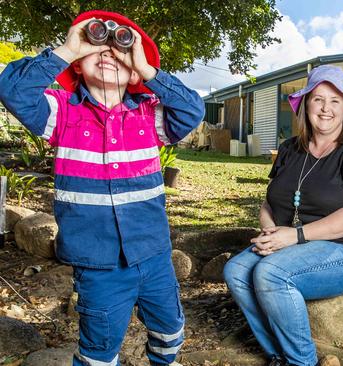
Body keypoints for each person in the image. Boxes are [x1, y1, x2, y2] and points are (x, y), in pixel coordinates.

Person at [0, 10, 204, 365]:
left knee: (170, 333)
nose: (110, 52)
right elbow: (11, 89)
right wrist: (69, 48)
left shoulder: (149, 116)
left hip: (154, 255)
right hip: (97, 264)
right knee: (99, 349)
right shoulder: (61, 113)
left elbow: (192, 109)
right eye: (98, 46)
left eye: (120, 48)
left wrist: (146, 68)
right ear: (79, 64)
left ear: (135, 71)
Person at [223, 65, 343, 366]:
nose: (326, 109)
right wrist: (270, 233)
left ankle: (302, 362)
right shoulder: (289, 149)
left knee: (270, 273)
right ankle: (278, 355)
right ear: (305, 105)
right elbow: (269, 202)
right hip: (294, 242)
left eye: (335, 101)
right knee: (235, 270)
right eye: (318, 99)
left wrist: (294, 236)